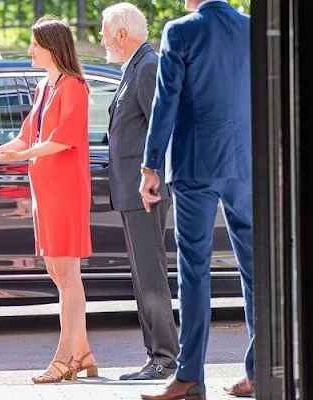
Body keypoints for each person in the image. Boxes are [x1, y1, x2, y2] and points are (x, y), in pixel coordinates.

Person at [0, 16, 96, 384]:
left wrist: (15, 156)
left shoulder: (74, 87)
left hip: (66, 189)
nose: (30, 50)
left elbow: (60, 141)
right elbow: (27, 138)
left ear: (52, 47)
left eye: (34, 44)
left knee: (67, 275)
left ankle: (65, 359)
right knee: (58, 273)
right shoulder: (44, 87)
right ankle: (83, 352)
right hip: (45, 190)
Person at [138, 0, 253, 398]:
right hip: (246, 163)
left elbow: (165, 100)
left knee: (194, 271)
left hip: (194, 163)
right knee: (256, 271)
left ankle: (189, 376)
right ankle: (260, 370)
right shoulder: (251, 28)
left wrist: (150, 165)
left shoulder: (180, 30)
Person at [101, 2, 179, 381]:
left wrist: (153, 177)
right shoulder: (134, 66)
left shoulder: (147, 66)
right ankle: (156, 356)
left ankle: (165, 358)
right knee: (142, 275)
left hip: (145, 191)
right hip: (132, 190)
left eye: (104, 31)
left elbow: (163, 128)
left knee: (150, 275)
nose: (102, 39)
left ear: (120, 33)